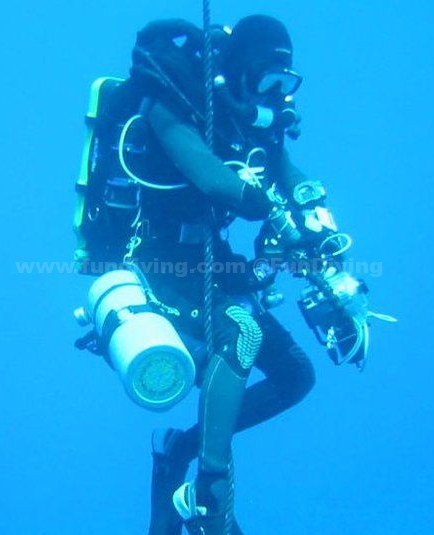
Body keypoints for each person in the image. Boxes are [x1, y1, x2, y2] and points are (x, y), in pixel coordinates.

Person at [76, 14, 332, 535]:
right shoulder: (171, 103)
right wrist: (268, 206)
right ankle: (210, 494)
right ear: (241, 66)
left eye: (284, 83)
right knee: (243, 334)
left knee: (296, 376)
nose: (273, 93)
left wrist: (319, 225)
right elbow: (213, 180)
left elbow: (292, 176)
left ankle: (180, 451)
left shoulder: (249, 124)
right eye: (267, 77)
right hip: (159, 264)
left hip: (213, 264)